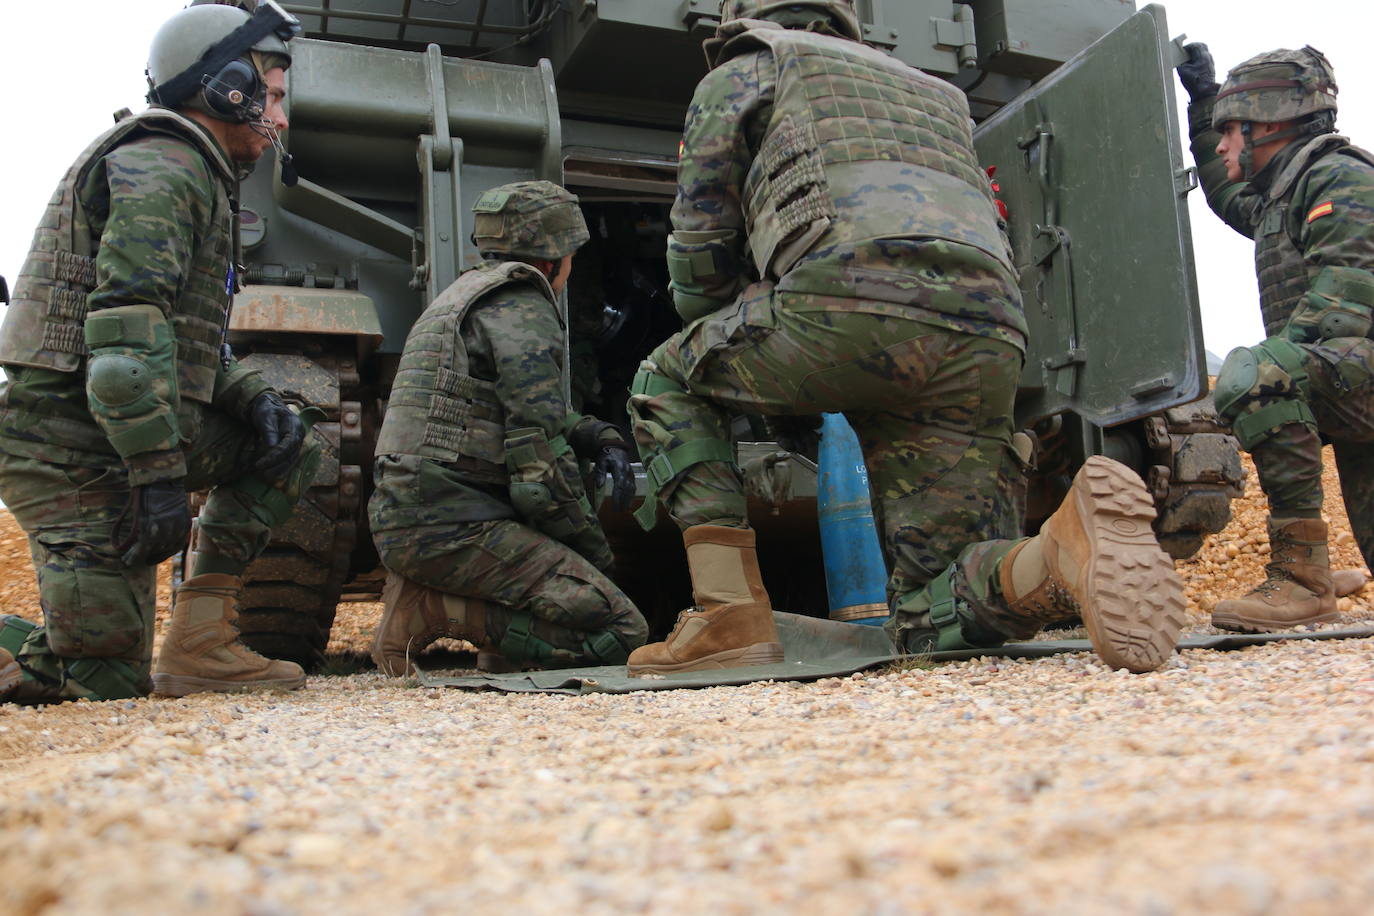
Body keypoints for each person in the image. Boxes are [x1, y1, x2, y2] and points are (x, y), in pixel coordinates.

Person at [625, 0, 1186, 675]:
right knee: (929, 609)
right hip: (989, 332)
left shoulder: (747, 69)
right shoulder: (934, 93)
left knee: (666, 376)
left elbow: (698, 270)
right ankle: (1056, 552)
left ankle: (728, 615)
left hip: (849, 308)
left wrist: (751, 341)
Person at [0, 1, 321, 703]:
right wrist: (157, 478)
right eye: (269, 97)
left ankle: (200, 641)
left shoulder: (191, 169)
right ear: (226, 87)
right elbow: (123, 341)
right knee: (100, 679)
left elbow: (182, 337)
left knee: (293, 441)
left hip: (109, 426)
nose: (280, 119)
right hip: (69, 442)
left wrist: (255, 398)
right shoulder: (167, 167)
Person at [368, 180, 648, 674]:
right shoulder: (523, 305)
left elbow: (510, 411)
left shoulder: (464, 295)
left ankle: (488, 642)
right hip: (450, 524)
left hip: (413, 514)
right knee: (621, 629)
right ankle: (433, 611)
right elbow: (539, 471)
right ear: (553, 256)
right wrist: (597, 558)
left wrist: (596, 436)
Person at [1177, 44, 1374, 632]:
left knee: (1256, 374)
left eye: (1229, 131)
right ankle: (1317, 570)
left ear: (1267, 124)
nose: (1220, 145)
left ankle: (1303, 579)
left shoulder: (1341, 178)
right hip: (1355, 375)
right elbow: (1223, 190)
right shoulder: (1281, 194)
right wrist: (1203, 101)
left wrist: (1266, 380)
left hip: (1357, 360)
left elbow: (1345, 313)